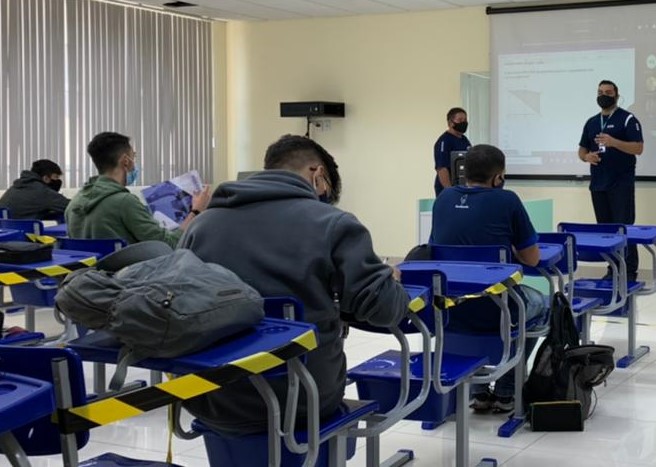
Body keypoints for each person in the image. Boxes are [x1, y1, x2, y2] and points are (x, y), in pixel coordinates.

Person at [178, 134, 408, 435]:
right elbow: (384, 310)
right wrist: (388, 278)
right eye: (326, 188)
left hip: (212, 396)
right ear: (317, 173)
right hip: (303, 399)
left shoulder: (201, 226)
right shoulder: (334, 224)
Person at [430, 144, 548, 413]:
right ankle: (507, 390)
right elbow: (532, 259)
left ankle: (478, 391)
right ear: (498, 178)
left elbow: (436, 249)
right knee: (542, 304)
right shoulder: (507, 201)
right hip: (498, 312)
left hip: (450, 311)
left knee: (486, 306)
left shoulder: (444, 200)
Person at [66, 132, 209, 248]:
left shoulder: (74, 204)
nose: (135, 163)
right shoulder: (124, 202)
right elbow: (170, 245)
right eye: (134, 156)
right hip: (128, 279)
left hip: (87, 279)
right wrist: (196, 211)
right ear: (126, 161)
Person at [578, 80, 644, 282]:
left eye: (607, 92)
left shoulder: (627, 119)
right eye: (600, 92)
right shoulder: (591, 122)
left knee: (623, 227)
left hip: (620, 184)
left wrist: (614, 142)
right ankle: (613, 268)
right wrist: (587, 157)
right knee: (605, 230)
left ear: (616, 95)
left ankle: (629, 272)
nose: (603, 95)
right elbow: (582, 150)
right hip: (598, 183)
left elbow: (638, 148)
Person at [0, 159, 70, 220]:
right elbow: (73, 206)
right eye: (56, 177)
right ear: (46, 178)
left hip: (5, 232)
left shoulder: (16, 187)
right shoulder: (42, 191)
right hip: (25, 233)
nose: (58, 181)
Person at [433, 107, 472, 198]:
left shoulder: (464, 139)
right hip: (448, 189)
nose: (464, 122)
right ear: (450, 123)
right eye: (460, 120)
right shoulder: (444, 141)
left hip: (462, 186)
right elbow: (441, 168)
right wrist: (449, 190)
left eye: (465, 120)